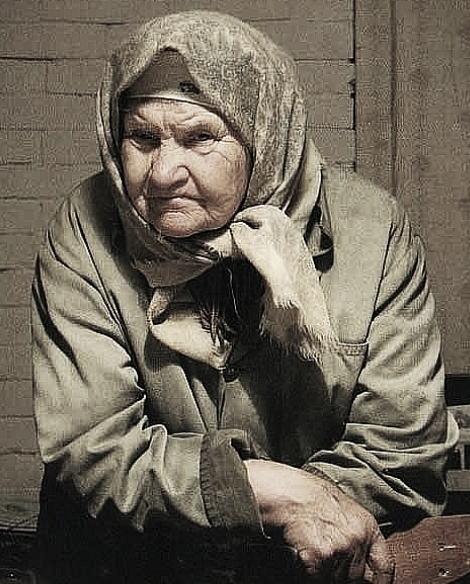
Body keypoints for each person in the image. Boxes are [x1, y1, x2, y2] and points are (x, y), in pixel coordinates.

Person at [32, 10, 459, 584]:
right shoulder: (83, 230)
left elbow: (403, 451)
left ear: (264, 134)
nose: (162, 173)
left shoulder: (373, 231)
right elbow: (95, 452)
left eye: (200, 138)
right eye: (142, 138)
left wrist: (299, 520)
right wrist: (274, 493)